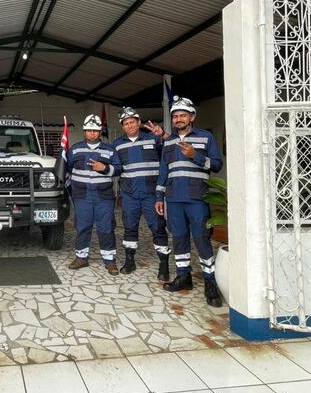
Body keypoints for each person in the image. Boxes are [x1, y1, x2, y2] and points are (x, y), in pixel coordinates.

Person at [155, 96, 224, 307]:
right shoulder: (169, 141)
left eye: (183, 115)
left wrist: (195, 155)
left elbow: (217, 165)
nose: (178, 119)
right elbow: (163, 171)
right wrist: (159, 196)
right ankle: (183, 276)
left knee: (202, 239)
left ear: (192, 117)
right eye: (175, 116)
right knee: (179, 238)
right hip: (174, 198)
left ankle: (210, 283)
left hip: (197, 198)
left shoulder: (205, 137)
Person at [112, 106, 170, 279]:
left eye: (132, 122)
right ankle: (130, 261)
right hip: (129, 194)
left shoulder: (153, 138)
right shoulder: (117, 144)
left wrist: (163, 135)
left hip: (151, 194)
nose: (130, 125)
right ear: (122, 126)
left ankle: (164, 265)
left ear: (139, 122)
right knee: (130, 228)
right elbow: (114, 167)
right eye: (126, 123)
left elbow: (173, 146)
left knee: (158, 228)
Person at [66, 114, 122, 275]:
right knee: (83, 227)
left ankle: (109, 260)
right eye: (89, 130)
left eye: (96, 130)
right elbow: (68, 168)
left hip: (103, 196)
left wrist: (104, 168)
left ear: (100, 132)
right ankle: (81, 258)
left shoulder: (109, 150)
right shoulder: (75, 149)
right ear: (84, 131)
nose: (93, 133)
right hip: (82, 196)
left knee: (106, 227)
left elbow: (118, 169)